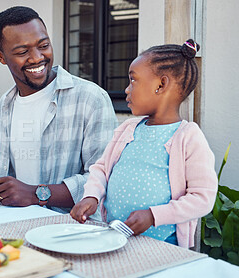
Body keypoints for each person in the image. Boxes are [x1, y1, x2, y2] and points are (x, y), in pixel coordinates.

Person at [0, 6, 117, 212]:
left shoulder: (90, 98)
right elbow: (13, 168)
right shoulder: (6, 103)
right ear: (1, 57)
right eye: (22, 52)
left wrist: (37, 194)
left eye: (43, 45)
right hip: (18, 221)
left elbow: (105, 177)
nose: (36, 58)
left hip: (70, 229)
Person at [70, 39, 218, 248]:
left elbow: (202, 197)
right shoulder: (128, 129)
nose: (127, 89)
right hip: (114, 239)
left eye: (133, 80)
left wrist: (153, 215)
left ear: (161, 84)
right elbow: (101, 170)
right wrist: (91, 197)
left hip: (161, 246)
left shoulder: (188, 137)